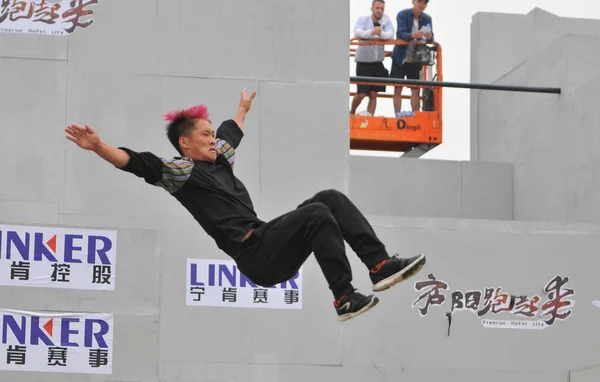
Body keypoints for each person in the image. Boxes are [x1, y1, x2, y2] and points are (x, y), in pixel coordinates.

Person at [64, 89, 426, 322]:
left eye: (211, 134)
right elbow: (136, 162)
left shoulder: (219, 156)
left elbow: (231, 130)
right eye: (204, 135)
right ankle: (344, 298)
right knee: (316, 214)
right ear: (185, 144)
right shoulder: (181, 172)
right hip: (255, 254)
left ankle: (378, 265)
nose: (212, 140)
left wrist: (242, 109)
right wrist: (98, 146)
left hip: (272, 242)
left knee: (328, 198)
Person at [350, 0, 394, 116]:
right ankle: (351, 113)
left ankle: (369, 119)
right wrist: (371, 32)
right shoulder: (363, 19)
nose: (380, 11)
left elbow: (390, 34)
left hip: (377, 63)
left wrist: (380, 34)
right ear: (372, 8)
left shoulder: (386, 20)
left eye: (382, 9)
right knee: (361, 94)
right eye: (377, 8)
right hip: (363, 62)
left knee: (374, 94)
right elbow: (357, 32)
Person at [390, 0, 433, 116]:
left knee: (415, 89)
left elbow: (431, 38)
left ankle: (415, 116)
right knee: (398, 88)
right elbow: (400, 34)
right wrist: (413, 35)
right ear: (413, 2)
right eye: (420, 1)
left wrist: (429, 36)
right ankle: (398, 115)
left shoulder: (427, 18)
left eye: (424, 3)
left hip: (416, 58)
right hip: (400, 57)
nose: (422, 5)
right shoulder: (402, 14)